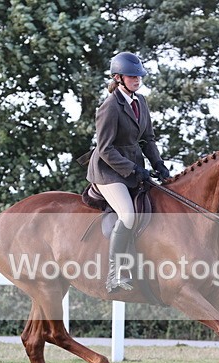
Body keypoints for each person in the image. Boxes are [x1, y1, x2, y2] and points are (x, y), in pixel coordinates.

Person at [86, 51, 171, 293]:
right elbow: (104, 149)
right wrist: (133, 169)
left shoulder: (140, 102)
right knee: (128, 215)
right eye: (131, 76)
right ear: (118, 78)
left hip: (133, 169)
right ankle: (115, 274)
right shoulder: (110, 107)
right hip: (108, 171)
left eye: (139, 76)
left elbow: (148, 140)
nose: (137, 80)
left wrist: (159, 165)